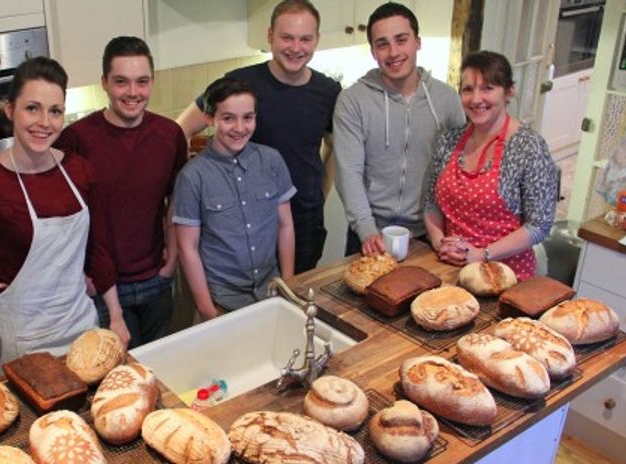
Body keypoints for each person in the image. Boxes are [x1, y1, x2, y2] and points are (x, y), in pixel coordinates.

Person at [0, 57, 129, 374]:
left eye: (55, 111)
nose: (45, 122)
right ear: (10, 110)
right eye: (32, 108)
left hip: (82, 331)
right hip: (20, 344)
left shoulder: (79, 171)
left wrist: (116, 317)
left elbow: (99, 249)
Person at [176, 0, 340, 274]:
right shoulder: (240, 83)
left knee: (293, 306)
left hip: (303, 224)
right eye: (286, 37)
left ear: (317, 40)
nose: (296, 48)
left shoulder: (328, 91)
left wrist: (320, 193)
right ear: (270, 36)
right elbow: (179, 129)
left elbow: (335, 147)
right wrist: (188, 188)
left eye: (305, 39)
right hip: (242, 230)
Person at [55, 37, 187, 349]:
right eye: (121, 82)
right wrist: (80, 272)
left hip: (157, 278)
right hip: (102, 287)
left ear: (152, 82)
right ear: (104, 82)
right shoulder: (76, 139)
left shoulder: (169, 135)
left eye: (142, 82)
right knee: (118, 378)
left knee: (159, 370)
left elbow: (176, 203)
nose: (132, 92)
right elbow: (64, 216)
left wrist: (171, 263)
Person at [334, 1, 465, 257]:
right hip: (372, 234)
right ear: (373, 51)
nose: (393, 52)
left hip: (431, 233)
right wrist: (366, 229)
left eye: (401, 40)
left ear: (418, 42)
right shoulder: (352, 100)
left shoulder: (447, 99)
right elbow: (349, 172)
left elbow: (458, 170)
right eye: (382, 44)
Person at [424, 51, 558, 280]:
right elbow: (431, 204)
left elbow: (539, 225)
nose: (476, 99)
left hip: (506, 277)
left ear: (509, 92)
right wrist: (440, 243)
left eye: (487, 88)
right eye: (468, 89)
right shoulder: (449, 140)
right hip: (450, 269)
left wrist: (483, 254)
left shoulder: (529, 147)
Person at [173, 77, 296, 320]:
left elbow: (286, 225)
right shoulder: (192, 177)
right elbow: (188, 249)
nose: (240, 128)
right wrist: (207, 309)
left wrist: (289, 283)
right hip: (222, 303)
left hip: (272, 293)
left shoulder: (272, 161)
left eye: (248, 117)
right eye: (228, 118)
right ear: (210, 119)